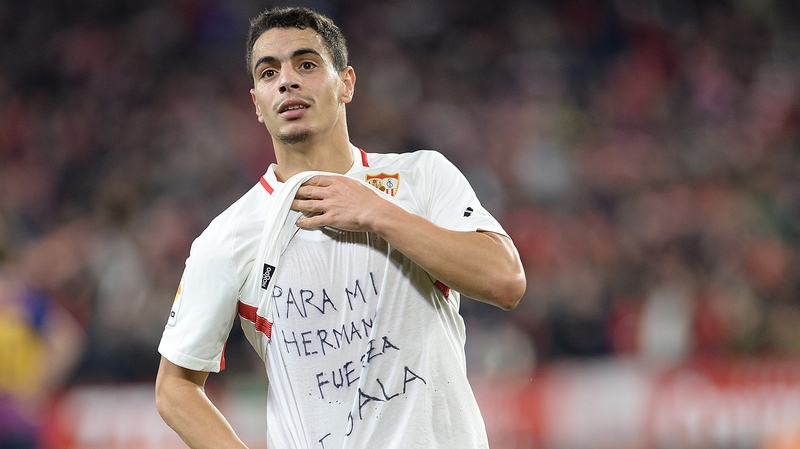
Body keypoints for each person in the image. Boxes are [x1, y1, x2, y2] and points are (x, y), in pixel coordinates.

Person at [155, 6, 526, 449]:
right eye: (268, 73)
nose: (286, 80)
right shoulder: (230, 235)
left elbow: (505, 281)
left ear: (346, 83)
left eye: (306, 64)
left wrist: (376, 212)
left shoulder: (423, 177)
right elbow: (174, 388)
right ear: (257, 103)